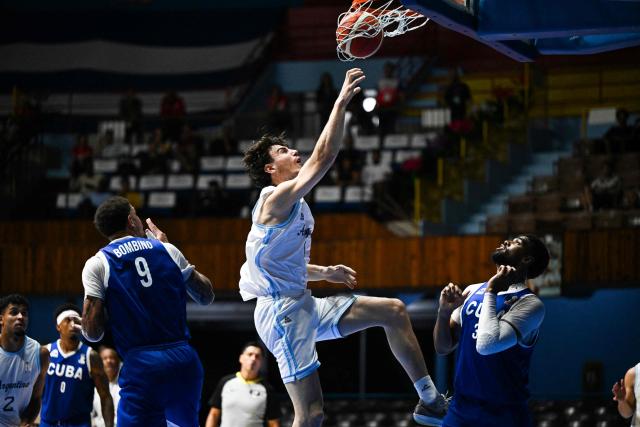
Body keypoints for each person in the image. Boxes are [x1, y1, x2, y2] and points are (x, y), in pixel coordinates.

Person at [240, 68, 447, 427]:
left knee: (394, 310)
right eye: (284, 150)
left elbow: (282, 265)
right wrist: (340, 102)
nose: (294, 151)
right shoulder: (273, 200)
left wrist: (326, 272)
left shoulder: (297, 206)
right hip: (282, 314)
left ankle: (430, 402)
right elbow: (324, 158)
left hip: (303, 303)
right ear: (271, 168)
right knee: (312, 414)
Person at [79, 195, 215, 427]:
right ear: (131, 220)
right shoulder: (166, 249)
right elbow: (206, 296)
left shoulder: (98, 263)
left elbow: (93, 333)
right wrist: (171, 252)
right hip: (183, 359)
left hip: (143, 363)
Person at [433, 235, 550, 427]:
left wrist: (492, 291)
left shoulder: (530, 303)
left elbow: (487, 345)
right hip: (461, 410)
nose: (506, 242)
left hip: (504, 414)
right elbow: (442, 347)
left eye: (516, 242)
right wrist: (444, 312)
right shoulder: (472, 291)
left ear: (527, 259)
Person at [40, 304, 114, 427]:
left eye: (76, 320)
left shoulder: (91, 356)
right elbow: (32, 391)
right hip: (48, 423)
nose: (73, 324)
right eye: (68, 320)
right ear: (58, 326)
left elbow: (105, 396)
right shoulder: (45, 352)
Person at [0, 294, 49, 427]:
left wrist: (26, 422)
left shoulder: (40, 354)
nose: (20, 317)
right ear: (1, 319)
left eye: (24, 313)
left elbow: (36, 398)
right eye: (14, 312)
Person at [205, 342, 281, 427]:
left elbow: (274, 423)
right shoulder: (226, 382)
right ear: (241, 358)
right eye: (250, 354)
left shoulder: (268, 390)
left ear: (261, 362)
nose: (253, 359)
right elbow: (214, 414)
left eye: (257, 356)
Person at [91, 347, 122, 427]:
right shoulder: (94, 388)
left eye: (112, 358)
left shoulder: (124, 387)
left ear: (118, 362)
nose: (108, 361)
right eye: (105, 358)